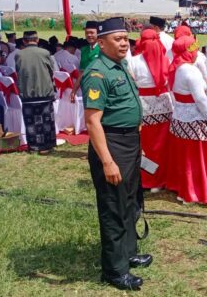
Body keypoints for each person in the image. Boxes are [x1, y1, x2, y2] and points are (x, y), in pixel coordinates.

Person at [81, 17, 152, 290]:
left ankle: (129, 252)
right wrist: (107, 161)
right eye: (117, 39)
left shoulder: (119, 66)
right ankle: (114, 269)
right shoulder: (97, 72)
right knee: (114, 206)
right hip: (113, 144)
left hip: (130, 142)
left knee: (131, 200)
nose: (124, 43)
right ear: (101, 43)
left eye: (126, 38)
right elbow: (92, 122)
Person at [166, 36, 207, 204]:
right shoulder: (191, 71)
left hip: (180, 117)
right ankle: (196, 191)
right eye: (194, 49)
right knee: (198, 158)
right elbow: (200, 99)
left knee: (184, 157)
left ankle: (184, 188)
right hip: (195, 119)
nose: (197, 52)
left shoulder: (176, 67)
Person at [129, 29, 173, 192]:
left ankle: (148, 178)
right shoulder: (166, 60)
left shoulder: (133, 61)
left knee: (145, 145)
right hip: (164, 106)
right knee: (162, 146)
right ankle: (163, 177)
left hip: (143, 108)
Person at [15, 30, 57, 154]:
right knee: (46, 120)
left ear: (24, 41)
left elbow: (18, 71)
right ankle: (47, 146)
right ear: (37, 40)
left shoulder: (19, 55)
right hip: (44, 91)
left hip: (27, 92)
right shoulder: (45, 53)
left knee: (31, 121)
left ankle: (33, 146)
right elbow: (51, 70)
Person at [71, 21, 100, 102]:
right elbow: (82, 72)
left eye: (92, 33)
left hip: (100, 87)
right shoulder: (84, 50)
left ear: (98, 33)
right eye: (87, 33)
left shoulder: (104, 48)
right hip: (87, 88)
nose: (89, 35)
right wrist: (74, 90)